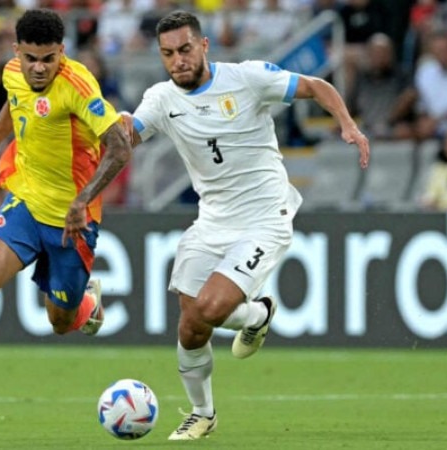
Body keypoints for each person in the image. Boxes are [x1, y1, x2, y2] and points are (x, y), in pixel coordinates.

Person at [123, 11, 369, 441]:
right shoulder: (161, 98)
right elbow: (130, 133)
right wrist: (98, 128)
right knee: (190, 325)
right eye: (167, 54)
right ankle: (203, 413)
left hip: (263, 218)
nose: (177, 60)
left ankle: (257, 312)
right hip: (211, 220)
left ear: (203, 46)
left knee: (210, 310)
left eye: (184, 49)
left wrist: (347, 124)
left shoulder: (248, 78)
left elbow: (316, 86)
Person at [0, 8, 132, 432]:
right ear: (17, 51)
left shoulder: (77, 85)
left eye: (48, 59)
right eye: (31, 58)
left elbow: (121, 147)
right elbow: (12, 106)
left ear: (61, 53)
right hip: (26, 202)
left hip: (73, 220)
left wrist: (83, 200)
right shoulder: (13, 72)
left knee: (60, 321)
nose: (38, 68)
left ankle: (86, 302)